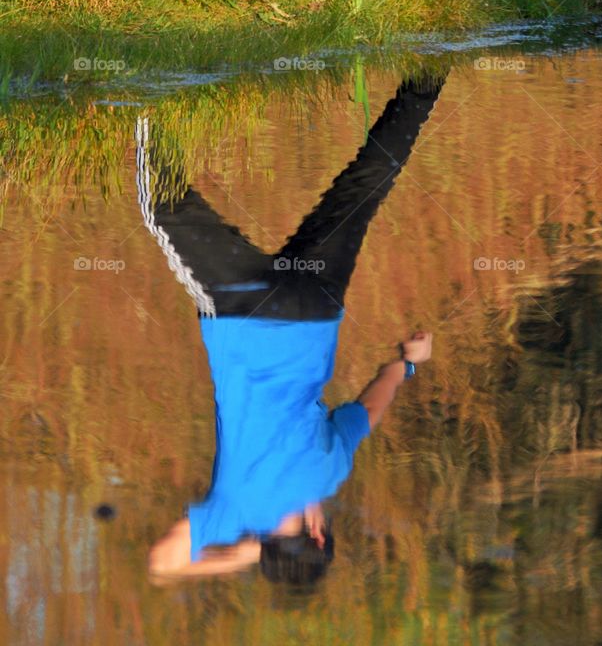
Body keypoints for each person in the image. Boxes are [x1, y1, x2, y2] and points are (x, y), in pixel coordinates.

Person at [134, 72, 446, 583]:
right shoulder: (236, 512)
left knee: (363, 188)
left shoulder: (331, 474)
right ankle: (154, 87)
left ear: (319, 535)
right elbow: (160, 566)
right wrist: (248, 554)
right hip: (242, 309)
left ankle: (430, 72)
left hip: (314, 307)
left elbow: (372, 404)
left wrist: (408, 363)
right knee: (163, 207)